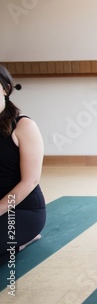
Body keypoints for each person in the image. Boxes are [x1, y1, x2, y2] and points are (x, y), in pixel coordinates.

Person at [0, 65, 46, 265]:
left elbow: (30, 181)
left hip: (21, 209)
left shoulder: (23, 126)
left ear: (5, 88)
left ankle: (26, 238)